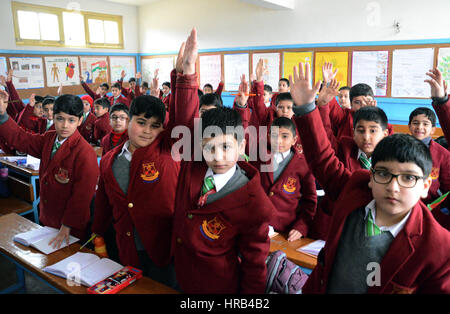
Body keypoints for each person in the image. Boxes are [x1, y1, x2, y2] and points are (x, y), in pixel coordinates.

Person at [288, 62, 450, 294]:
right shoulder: (355, 189)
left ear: (425, 186)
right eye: (383, 174)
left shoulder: (439, 246)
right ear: (371, 176)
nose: (393, 187)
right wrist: (305, 107)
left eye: (407, 178)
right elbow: (322, 158)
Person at [170, 28, 274, 294]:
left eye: (226, 147)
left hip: (218, 286)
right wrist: (186, 74)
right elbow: (183, 120)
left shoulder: (254, 200)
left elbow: (254, 264)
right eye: (209, 148)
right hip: (179, 274)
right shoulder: (194, 167)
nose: (217, 156)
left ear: (241, 146)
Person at [92, 94, 180, 288]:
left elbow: (184, 117)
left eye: (155, 126)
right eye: (141, 122)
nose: (147, 131)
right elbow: (103, 202)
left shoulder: (168, 150)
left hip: (164, 250)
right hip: (128, 248)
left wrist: (184, 77)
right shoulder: (109, 160)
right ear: (128, 120)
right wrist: (97, 232)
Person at [0, 91, 99, 245]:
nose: (65, 125)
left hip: (70, 226)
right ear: (53, 117)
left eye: (71, 120)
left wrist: (67, 226)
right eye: (60, 119)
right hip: (48, 217)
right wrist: (3, 115)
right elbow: (22, 139)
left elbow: (82, 197)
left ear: (80, 121)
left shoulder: (85, 153)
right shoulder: (49, 138)